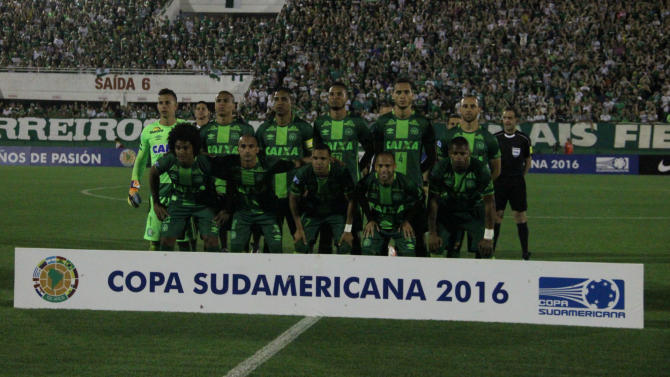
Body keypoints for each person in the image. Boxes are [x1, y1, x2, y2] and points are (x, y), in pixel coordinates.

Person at [371, 77, 436, 257]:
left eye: (406, 92)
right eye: (398, 92)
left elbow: (432, 157)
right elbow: (377, 156)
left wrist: (417, 172)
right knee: (381, 240)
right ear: (393, 95)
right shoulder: (382, 123)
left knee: (418, 240)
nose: (402, 96)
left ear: (412, 96)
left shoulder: (423, 123)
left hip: (413, 191)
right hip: (386, 191)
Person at [210, 135, 302, 253]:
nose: (247, 150)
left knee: (276, 248)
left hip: (266, 213)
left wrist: (305, 161)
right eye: (243, 146)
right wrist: (227, 209)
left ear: (257, 149)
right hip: (242, 213)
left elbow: (295, 164)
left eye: (251, 146)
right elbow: (211, 164)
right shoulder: (230, 164)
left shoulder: (268, 163)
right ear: (238, 149)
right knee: (236, 248)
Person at [127, 88, 192, 251]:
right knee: (154, 241)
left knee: (183, 241)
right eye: (160, 103)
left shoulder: (185, 129)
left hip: (182, 190)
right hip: (159, 190)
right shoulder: (149, 131)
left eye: (167, 103)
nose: (163, 106)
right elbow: (140, 162)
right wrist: (134, 188)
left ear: (175, 106)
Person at [313, 82, 374, 253]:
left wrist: (358, 167)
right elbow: (316, 154)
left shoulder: (356, 123)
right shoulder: (320, 123)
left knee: (353, 237)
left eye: (339, 94)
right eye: (332, 94)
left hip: (351, 188)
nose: (335, 97)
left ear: (346, 98)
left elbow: (371, 149)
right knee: (325, 238)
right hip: (326, 187)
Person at [149, 124, 223, 252]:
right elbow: (153, 173)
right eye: (178, 148)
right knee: (166, 240)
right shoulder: (170, 159)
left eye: (185, 148)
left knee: (211, 241)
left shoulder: (205, 161)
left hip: (203, 204)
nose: (181, 152)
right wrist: (156, 203)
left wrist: (225, 208)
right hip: (179, 202)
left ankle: (211, 270)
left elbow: (227, 178)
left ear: (194, 147)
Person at [255, 87, 313, 250]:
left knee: (301, 242)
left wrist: (299, 162)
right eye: (276, 99)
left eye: (284, 99)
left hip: (296, 192)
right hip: (271, 194)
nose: (279, 103)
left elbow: (314, 157)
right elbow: (258, 160)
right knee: (271, 243)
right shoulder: (263, 130)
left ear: (291, 103)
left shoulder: (304, 128)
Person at [200, 91, 255, 251]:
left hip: (240, 189)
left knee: (241, 233)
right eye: (218, 101)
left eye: (226, 101)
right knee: (213, 233)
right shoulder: (205, 131)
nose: (222, 104)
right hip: (213, 190)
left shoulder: (245, 129)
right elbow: (199, 155)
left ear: (234, 105)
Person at [428, 137, 496, 258]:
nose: (459, 157)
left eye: (463, 153)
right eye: (455, 153)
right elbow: (433, 202)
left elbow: (489, 203)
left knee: (486, 251)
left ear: (468, 153)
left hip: (473, 213)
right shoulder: (439, 169)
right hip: (448, 212)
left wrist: (488, 237)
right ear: (449, 154)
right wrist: (432, 233)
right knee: (434, 248)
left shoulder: (481, 170)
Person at [289, 143, 355, 254]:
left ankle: (338, 270)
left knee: (344, 246)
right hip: (313, 213)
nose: (318, 162)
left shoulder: (341, 172)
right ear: (311, 159)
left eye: (323, 158)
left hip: (336, 212)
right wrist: (299, 228)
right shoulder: (302, 173)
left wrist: (348, 230)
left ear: (330, 159)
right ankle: (306, 269)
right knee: (300, 245)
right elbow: (292, 198)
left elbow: (352, 200)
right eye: (315, 158)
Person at [355, 152, 422, 256]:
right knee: (367, 251)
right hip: (377, 226)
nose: (384, 169)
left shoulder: (405, 182)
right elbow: (358, 193)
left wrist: (407, 220)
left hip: (400, 226)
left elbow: (421, 198)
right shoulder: (369, 180)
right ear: (375, 167)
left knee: (408, 254)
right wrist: (370, 219)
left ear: (394, 166)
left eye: (388, 166)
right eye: (380, 166)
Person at [493, 109, 532, 260]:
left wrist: (520, 177)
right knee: (496, 216)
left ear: (516, 120)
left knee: (520, 216)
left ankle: (525, 252)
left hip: (517, 183)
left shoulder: (524, 139)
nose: (507, 121)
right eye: (504, 118)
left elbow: (528, 161)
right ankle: (491, 251)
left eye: (510, 118)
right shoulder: (496, 138)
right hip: (499, 182)